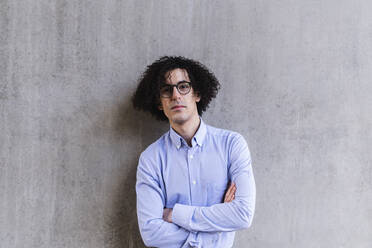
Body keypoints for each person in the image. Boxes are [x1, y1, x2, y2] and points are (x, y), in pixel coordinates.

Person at [132, 56, 256, 248]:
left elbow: (243, 215)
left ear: (196, 93)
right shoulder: (151, 159)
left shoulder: (232, 145)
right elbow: (151, 232)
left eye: (183, 86)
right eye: (167, 90)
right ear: (159, 103)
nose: (175, 95)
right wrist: (216, 230)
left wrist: (174, 214)